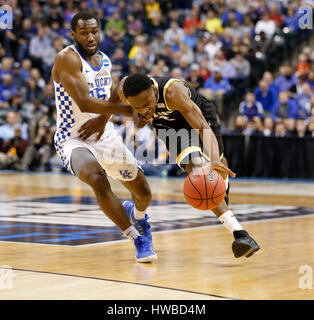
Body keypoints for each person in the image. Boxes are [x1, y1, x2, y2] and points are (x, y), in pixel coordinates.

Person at [80, 73, 260, 259]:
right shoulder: (125, 90)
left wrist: (214, 159)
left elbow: (201, 126)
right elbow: (112, 102)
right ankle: (240, 234)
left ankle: (222, 190)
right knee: (199, 172)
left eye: (146, 104)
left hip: (201, 119)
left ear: (153, 89)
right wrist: (101, 122)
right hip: (169, 127)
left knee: (218, 168)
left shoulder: (173, 92)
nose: (144, 110)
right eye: (138, 107)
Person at [51, 12, 157, 263]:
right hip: (71, 137)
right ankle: (136, 238)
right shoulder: (66, 58)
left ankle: (140, 218)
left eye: (94, 31)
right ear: (73, 34)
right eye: (84, 32)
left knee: (143, 193)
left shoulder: (105, 61)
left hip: (103, 133)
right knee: (97, 179)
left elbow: (109, 98)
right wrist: (131, 112)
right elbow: (85, 102)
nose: (90, 37)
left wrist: (103, 121)